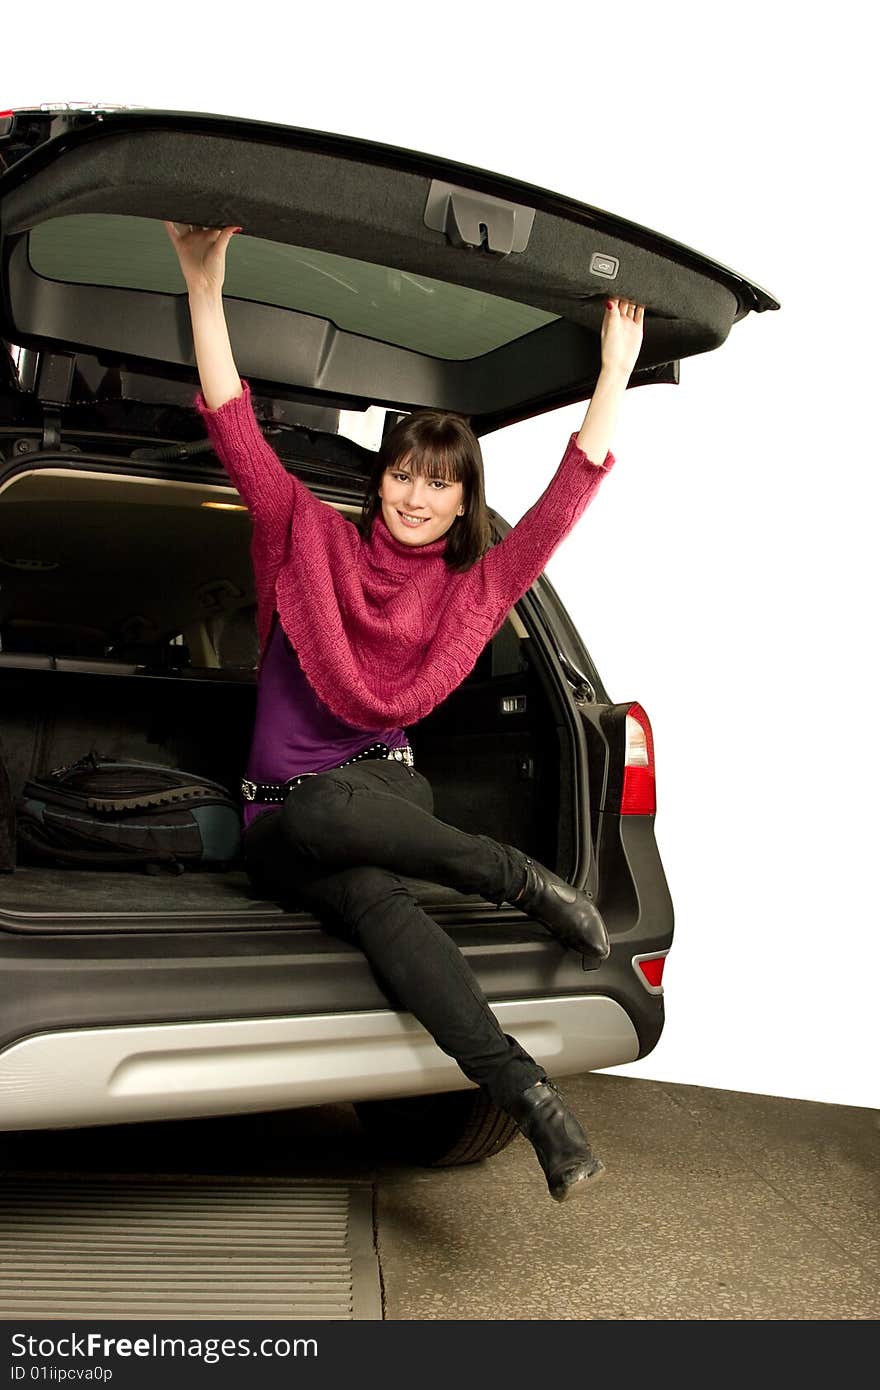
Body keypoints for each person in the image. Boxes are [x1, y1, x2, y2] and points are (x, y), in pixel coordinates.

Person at [165, 220, 645, 1203]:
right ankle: (518, 878)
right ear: (379, 479)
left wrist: (616, 368)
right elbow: (234, 426)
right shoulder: (305, 540)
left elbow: (559, 506)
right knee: (323, 813)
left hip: (386, 803)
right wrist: (203, 282)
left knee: (385, 907)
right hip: (285, 819)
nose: (414, 495)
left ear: (461, 496)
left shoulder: (470, 586)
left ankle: (533, 1104)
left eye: (438, 481)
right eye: (401, 473)